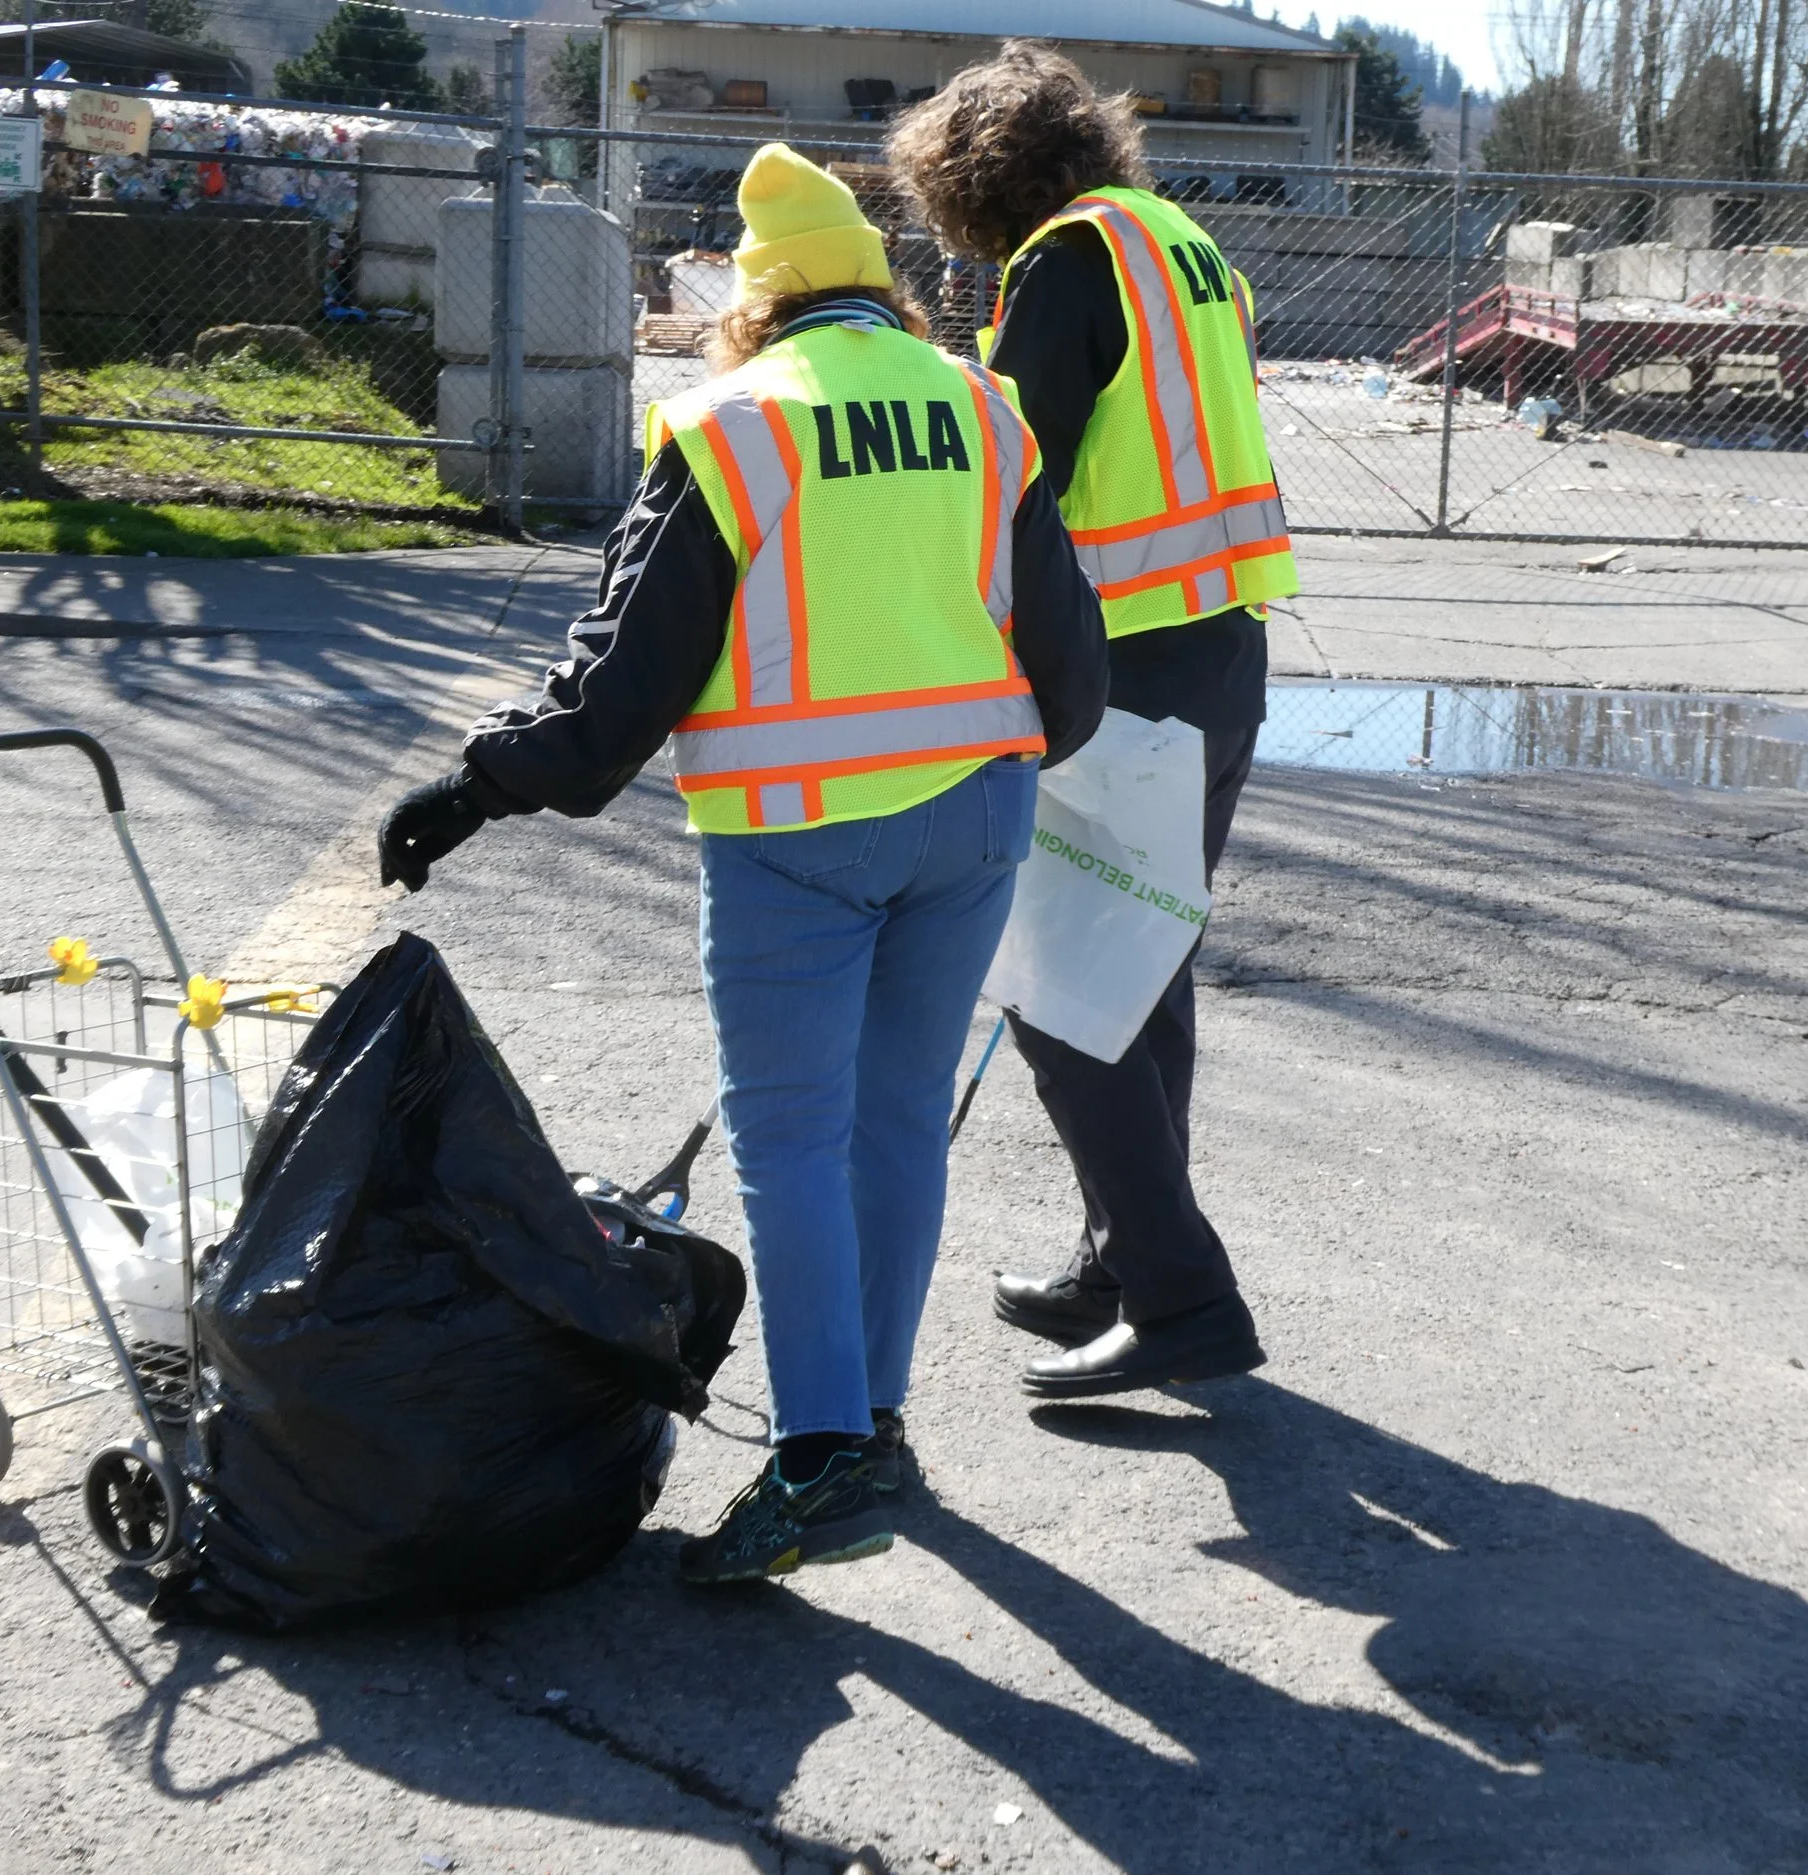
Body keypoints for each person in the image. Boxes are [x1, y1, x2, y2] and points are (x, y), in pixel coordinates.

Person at [376, 145, 1108, 1582]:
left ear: (755, 307)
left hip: (799, 843)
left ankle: (825, 1456)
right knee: (897, 1126)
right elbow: (1067, 673)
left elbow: (612, 701)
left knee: (790, 1145)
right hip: (975, 818)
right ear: (876, 289)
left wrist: (480, 781)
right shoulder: (981, 408)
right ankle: (873, 1424)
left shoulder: (729, 427)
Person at [887, 43, 1300, 1400]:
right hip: (1221, 651)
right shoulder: (1186, 248)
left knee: (1066, 991)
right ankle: (1119, 1258)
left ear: (975, 181)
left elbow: (1007, 478)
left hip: (1119, 667)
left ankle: (1181, 1295)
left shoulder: (1066, 263)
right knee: (1140, 969)